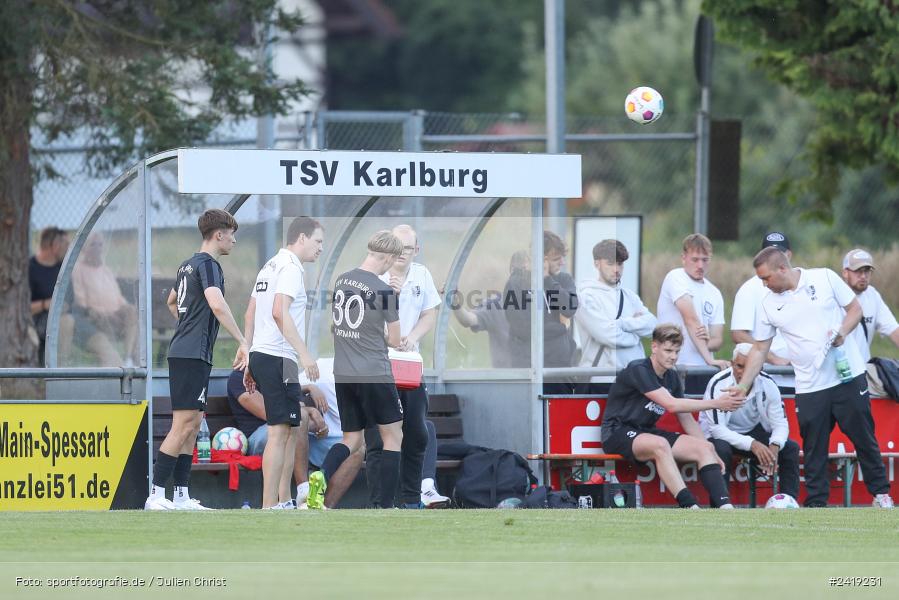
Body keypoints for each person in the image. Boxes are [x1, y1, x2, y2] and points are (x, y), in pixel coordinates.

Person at [726, 247, 894, 508]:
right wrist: (743, 386)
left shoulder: (824, 278)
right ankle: (816, 503)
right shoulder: (768, 303)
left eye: (766, 278)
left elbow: (854, 309)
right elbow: (760, 348)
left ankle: (881, 495)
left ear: (782, 268)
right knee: (814, 446)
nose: (764, 284)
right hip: (809, 385)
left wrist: (842, 332)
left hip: (847, 377)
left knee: (863, 437)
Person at [145, 209, 249, 510]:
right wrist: (242, 340)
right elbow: (216, 304)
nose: (234, 240)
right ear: (219, 235)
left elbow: (172, 301)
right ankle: (156, 494)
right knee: (183, 425)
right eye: (232, 234)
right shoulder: (209, 265)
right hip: (191, 354)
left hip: (190, 352)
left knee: (192, 424)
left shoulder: (187, 264)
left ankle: (181, 495)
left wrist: (187, 324)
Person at [309, 231, 405, 510]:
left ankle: (322, 475)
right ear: (387, 258)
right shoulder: (385, 291)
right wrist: (392, 300)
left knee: (351, 439)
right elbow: (396, 341)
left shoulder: (342, 280)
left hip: (344, 373)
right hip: (374, 372)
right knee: (393, 436)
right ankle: (386, 507)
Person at [600, 324, 741, 509]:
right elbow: (671, 405)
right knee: (660, 445)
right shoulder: (639, 369)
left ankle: (725, 507)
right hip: (618, 432)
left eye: (676, 351)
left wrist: (711, 450)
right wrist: (716, 403)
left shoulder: (671, 377)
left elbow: (686, 417)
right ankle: (690, 506)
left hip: (646, 432)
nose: (673, 356)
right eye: (668, 350)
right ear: (655, 347)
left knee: (705, 447)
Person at [365, 224, 450, 509]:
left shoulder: (421, 274)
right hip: (377, 366)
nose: (401, 254)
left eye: (408, 248)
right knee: (379, 436)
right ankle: (380, 502)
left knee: (416, 431)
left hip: (409, 365)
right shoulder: (373, 274)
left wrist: (412, 338)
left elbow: (429, 314)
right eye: (396, 247)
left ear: (417, 249)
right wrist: (390, 295)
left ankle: (412, 497)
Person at [244, 216, 323, 509]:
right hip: (280, 356)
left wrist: (250, 353)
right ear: (301, 238)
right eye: (317, 241)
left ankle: (284, 500)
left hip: (272, 356)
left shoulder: (269, 265)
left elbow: (250, 313)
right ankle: (269, 506)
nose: (320, 249)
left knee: (291, 427)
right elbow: (279, 312)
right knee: (279, 430)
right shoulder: (290, 267)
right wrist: (304, 353)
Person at [226, 358, 364, 509]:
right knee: (296, 421)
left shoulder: (284, 369)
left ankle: (319, 506)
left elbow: (297, 406)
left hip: (295, 434)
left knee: (356, 449)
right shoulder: (238, 377)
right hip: (262, 436)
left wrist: (316, 417)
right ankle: (303, 490)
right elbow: (273, 414)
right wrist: (311, 415)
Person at [700, 343, 800, 500]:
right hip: (720, 435)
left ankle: (788, 503)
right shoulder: (718, 383)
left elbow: (780, 423)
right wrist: (753, 444)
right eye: (739, 366)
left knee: (789, 448)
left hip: (751, 432)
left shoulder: (768, 383)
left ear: (758, 368)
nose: (743, 372)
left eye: (749, 367)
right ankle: (720, 505)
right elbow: (717, 430)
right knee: (721, 448)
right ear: (732, 364)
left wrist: (775, 444)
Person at [575, 239, 656, 394]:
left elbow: (653, 327)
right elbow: (607, 335)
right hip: (602, 380)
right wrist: (635, 334)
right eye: (610, 263)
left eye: (620, 264)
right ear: (597, 264)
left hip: (634, 379)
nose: (616, 269)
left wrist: (622, 324)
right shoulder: (586, 297)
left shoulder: (629, 296)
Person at [505, 231, 579, 393]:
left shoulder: (563, 280)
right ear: (541, 259)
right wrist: (561, 328)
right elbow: (523, 328)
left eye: (562, 257)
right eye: (556, 259)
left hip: (560, 368)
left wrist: (547, 279)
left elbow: (570, 308)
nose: (563, 262)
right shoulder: (517, 282)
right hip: (528, 368)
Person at [656, 233, 728, 393]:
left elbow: (717, 340)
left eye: (705, 259)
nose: (700, 265)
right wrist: (709, 358)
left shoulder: (714, 292)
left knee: (700, 417)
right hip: (672, 367)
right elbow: (690, 319)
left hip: (702, 370)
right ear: (684, 258)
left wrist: (708, 341)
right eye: (695, 260)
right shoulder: (676, 277)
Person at [731, 232, 795, 391]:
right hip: (768, 378)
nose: (774, 258)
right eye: (768, 254)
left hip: (805, 379)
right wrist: (776, 360)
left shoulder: (802, 286)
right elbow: (738, 334)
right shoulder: (749, 289)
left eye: (780, 254)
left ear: (789, 255)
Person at [450, 251, 528, 369]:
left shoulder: (543, 306)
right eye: (519, 271)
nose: (523, 277)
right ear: (511, 271)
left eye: (528, 272)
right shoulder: (496, 306)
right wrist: (455, 303)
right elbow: (468, 320)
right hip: (505, 382)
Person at [71, 232, 139, 366]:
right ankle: (115, 366)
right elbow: (81, 302)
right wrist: (105, 314)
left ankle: (128, 359)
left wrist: (121, 311)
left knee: (133, 312)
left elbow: (118, 298)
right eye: (93, 244)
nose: (97, 248)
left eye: (100, 244)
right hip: (95, 317)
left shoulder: (106, 270)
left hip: (116, 317)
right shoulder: (78, 269)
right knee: (107, 321)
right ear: (84, 248)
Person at [841, 248, 899, 362]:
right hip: (837, 370)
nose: (863, 276)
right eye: (858, 271)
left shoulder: (872, 295)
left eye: (867, 271)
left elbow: (894, 330)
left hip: (863, 370)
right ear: (845, 273)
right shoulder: (833, 296)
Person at [29, 227, 69, 365]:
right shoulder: (29, 268)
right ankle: (59, 369)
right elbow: (21, 308)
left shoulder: (63, 270)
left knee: (68, 320)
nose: (68, 249)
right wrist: (46, 304)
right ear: (55, 246)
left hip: (59, 317)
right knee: (67, 322)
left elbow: (70, 299)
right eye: (66, 245)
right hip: (35, 320)